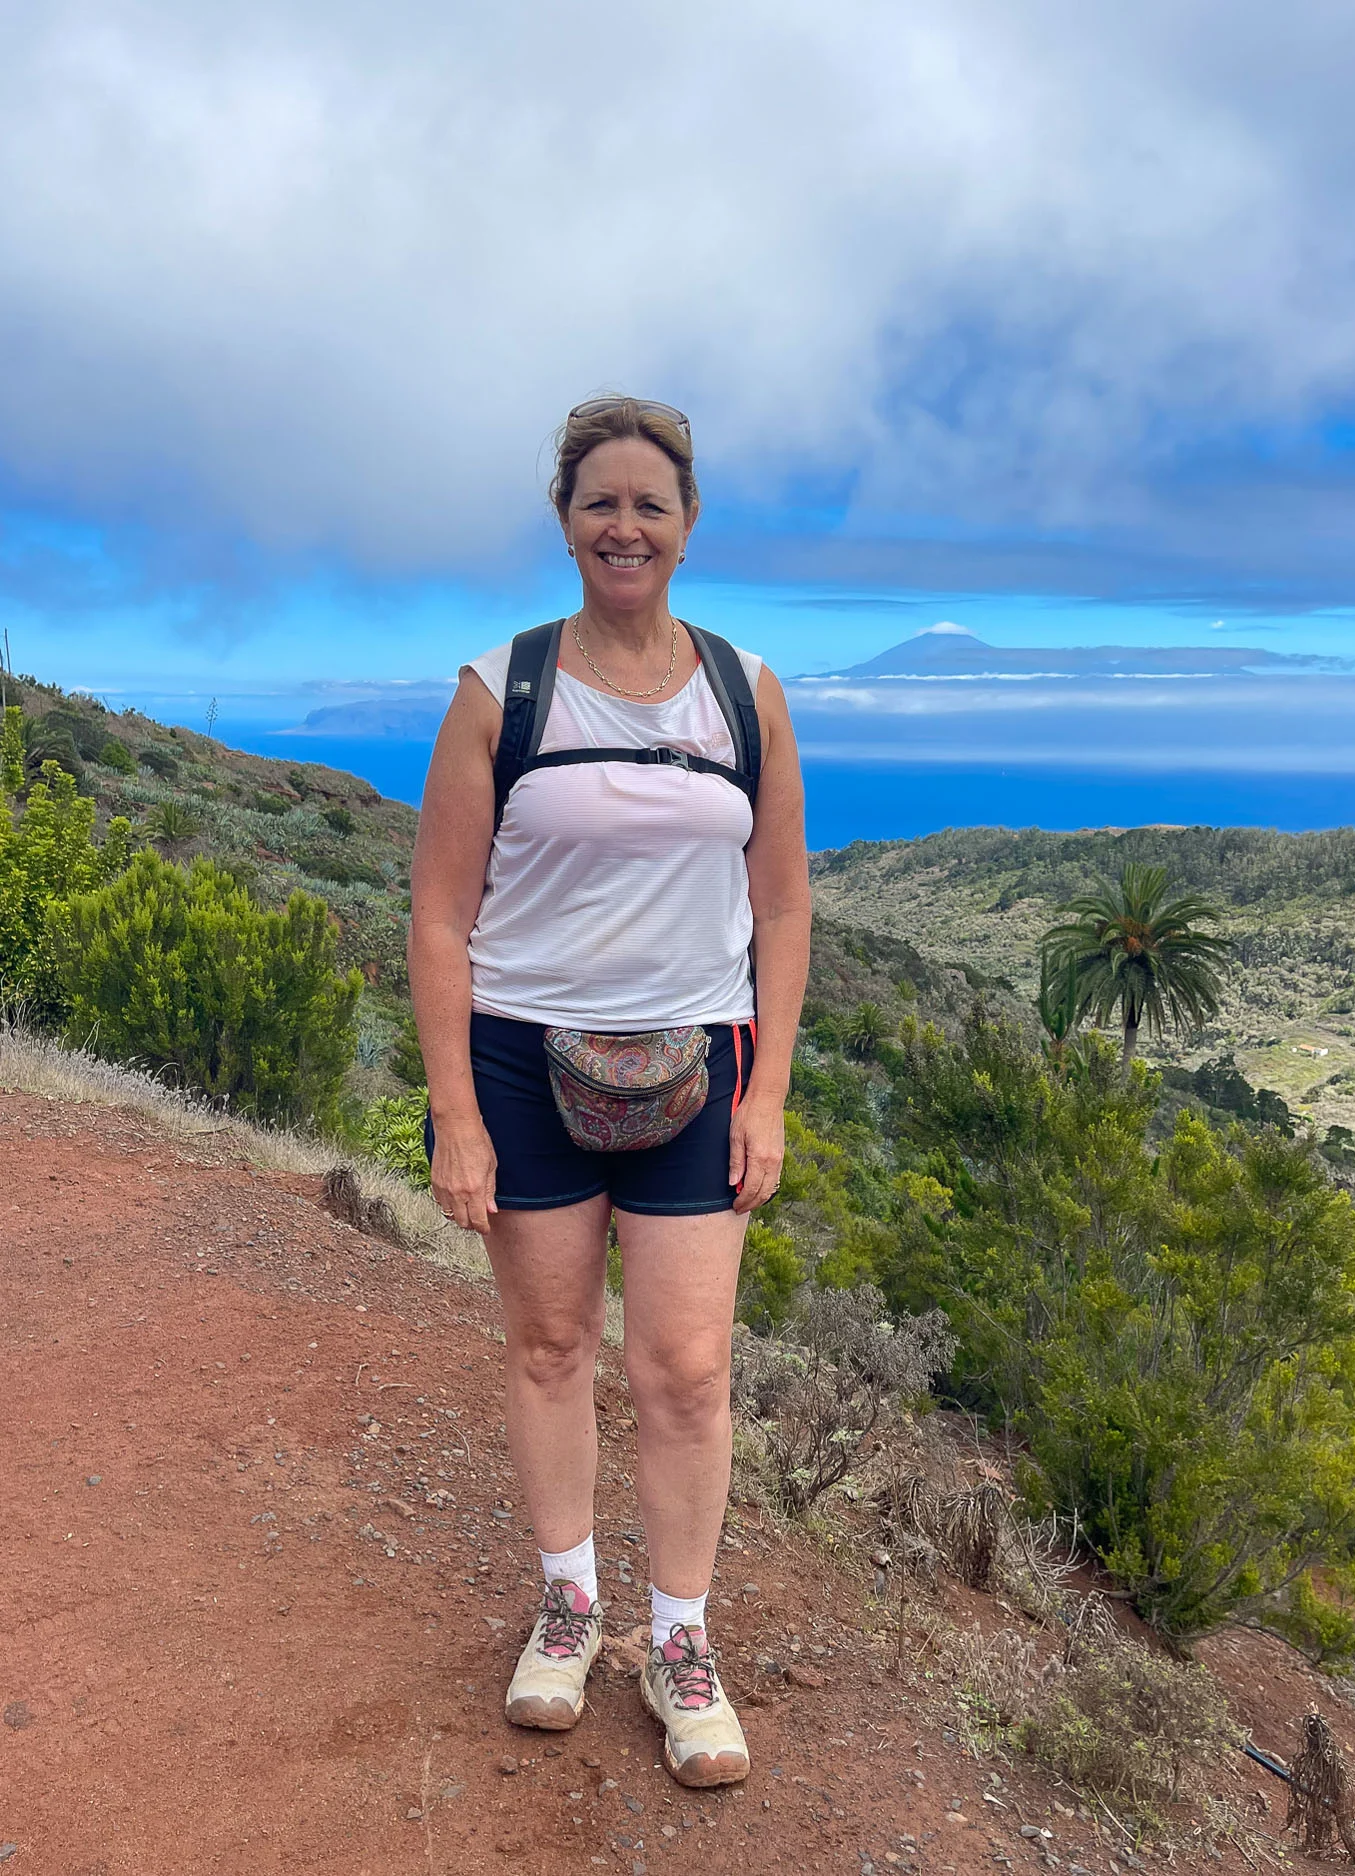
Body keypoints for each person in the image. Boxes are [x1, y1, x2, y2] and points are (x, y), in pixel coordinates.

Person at [407, 395, 811, 1789]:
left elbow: (784, 904)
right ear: (566, 524)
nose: (624, 525)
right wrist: (457, 1114)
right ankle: (570, 1607)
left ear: (689, 527)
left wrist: (768, 1098)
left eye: (650, 504)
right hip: (527, 1059)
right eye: (599, 503)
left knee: (686, 1369)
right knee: (550, 1346)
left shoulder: (745, 692)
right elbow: (441, 917)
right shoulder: (500, 689)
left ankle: (683, 1641)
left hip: (701, 1061)